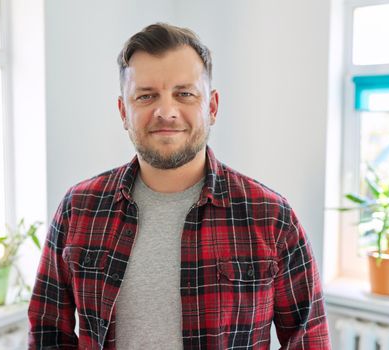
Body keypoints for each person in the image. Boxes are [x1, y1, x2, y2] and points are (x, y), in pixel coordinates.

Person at [28, 23, 331, 349]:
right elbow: (48, 334)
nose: (166, 111)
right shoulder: (78, 209)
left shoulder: (271, 216)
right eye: (146, 96)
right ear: (123, 112)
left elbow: (309, 340)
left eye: (184, 94)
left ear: (211, 107)